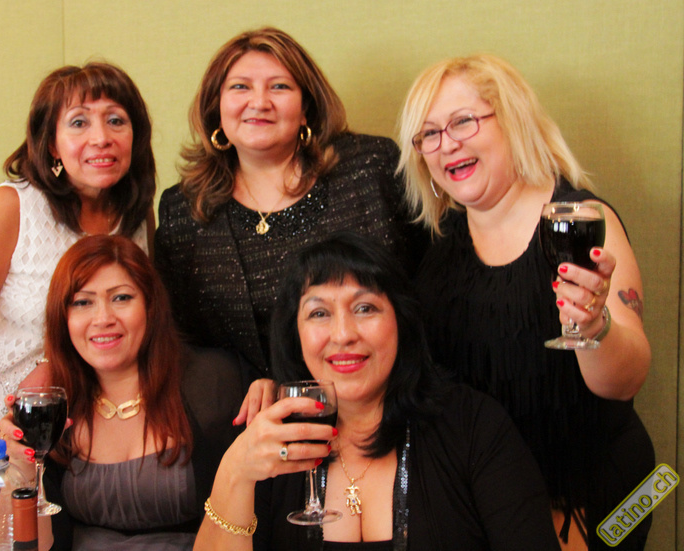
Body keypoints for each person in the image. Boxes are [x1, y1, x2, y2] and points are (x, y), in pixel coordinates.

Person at [396, 54, 653, 550]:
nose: (446, 143)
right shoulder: (438, 247)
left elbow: (626, 380)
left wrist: (594, 326)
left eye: (463, 121)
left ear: (512, 120)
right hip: (494, 503)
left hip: (602, 497)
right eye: (428, 134)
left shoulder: (578, 221)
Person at [0, 62, 156, 550]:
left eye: (116, 120)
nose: (101, 137)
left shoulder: (136, 216)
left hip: (70, 440)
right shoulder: (14, 207)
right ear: (51, 145)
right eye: (79, 122)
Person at [195, 232, 561, 551]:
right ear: (295, 334)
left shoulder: (475, 427)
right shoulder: (269, 441)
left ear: (401, 320)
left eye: (365, 308)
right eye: (319, 313)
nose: (343, 334)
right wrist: (234, 472)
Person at [155, 27, 427, 381]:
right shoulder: (182, 209)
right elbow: (184, 341)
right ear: (216, 108)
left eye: (279, 86)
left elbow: (427, 282)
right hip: (250, 404)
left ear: (305, 109)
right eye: (240, 87)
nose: (259, 102)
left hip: (390, 390)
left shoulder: (370, 167)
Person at [0, 235, 243, 550]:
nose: (103, 319)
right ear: (63, 318)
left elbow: (252, 517)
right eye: (83, 302)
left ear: (150, 306)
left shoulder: (211, 382)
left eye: (121, 298)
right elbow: (37, 545)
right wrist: (22, 469)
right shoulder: (56, 405)